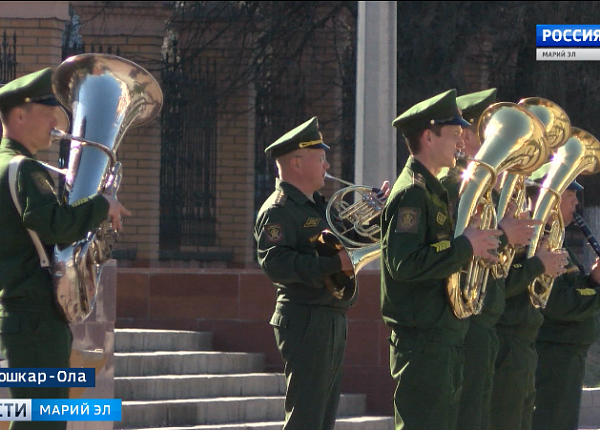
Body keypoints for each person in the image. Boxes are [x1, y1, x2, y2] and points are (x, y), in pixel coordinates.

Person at [0, 68, 131, 430]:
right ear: (20, 114)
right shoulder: (23, 170)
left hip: (24, 314)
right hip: (36, 318)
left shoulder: (12, 166)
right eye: (47, 110)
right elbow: (56, 226)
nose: (57, 120)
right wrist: (102, 205)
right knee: (42, 421)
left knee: (32, 416)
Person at [254, 116, 389, 430]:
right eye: (321, 158)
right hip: (305, 317)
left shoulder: (318, 206)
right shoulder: (279, 209)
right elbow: (276, 265)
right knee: (307, 416)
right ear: (297, 163)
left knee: (323, 417)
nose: (327, 165)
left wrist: (380, 213)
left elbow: (352, 239)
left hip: (329, 315)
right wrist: (334, 265)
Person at [380, 88, 503, 430]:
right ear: (428, 137)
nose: (461, 143)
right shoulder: (411, 194)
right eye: (453, 135)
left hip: (442, 336)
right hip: (423, 342)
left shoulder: (431, 191)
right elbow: (405, 264)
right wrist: (465, 246)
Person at [445, 88, 542, 430]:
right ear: (469, 135)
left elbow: (497, 269)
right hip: (469, 321)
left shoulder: (491, 191)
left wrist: (514, 241)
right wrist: (504, 235)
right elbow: (466, 254)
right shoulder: (457, 186)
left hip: (489, 323)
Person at [489, 163, 569, 430]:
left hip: (524, 340)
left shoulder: (532, 234)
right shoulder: (498, 220)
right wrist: (537, 264)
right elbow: (499, 282)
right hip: (506, 338)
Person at [531, 167, 600, 430]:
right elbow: (558, 302)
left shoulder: (558, 240)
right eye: (570, 193)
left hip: (565, 357)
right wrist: (597, 290)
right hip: (551, 358)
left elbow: (568, 290)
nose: (576, 202)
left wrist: (592, 280)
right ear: (550, 196)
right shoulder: (540, 241)